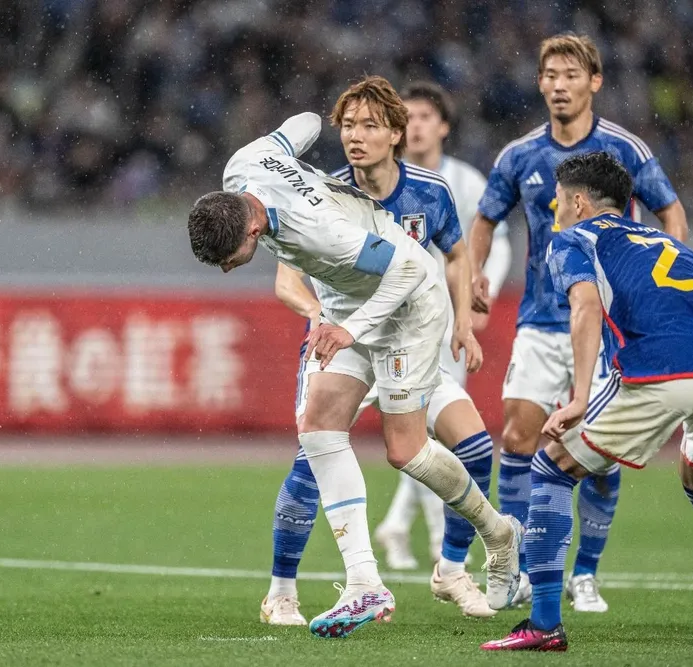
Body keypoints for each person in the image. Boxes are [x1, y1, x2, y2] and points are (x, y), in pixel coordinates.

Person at [188, 110, 522, 638]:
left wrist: (352, 329)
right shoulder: (244, 166)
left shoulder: (322, 233)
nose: (233, 266)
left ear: (252, 226)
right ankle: (365, 582)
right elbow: (302, 123)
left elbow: (413, 269)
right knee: (317, 427)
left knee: (404, 450)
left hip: (410, 306)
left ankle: (500, 534)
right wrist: (315, 137)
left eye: (235, 257)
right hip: (349, 302)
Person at [482, 151, 693, 651]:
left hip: (659, 371)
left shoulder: (573, 238)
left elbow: (585, 307)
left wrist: (577, 398)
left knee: (552, 470)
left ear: (577, 201)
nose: (554, 209)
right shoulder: (672, 246)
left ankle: (544, 624)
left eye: (557, 201)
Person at [263, 76, 503, 623]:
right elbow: (286, 280)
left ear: (396, 134)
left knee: (475, 448)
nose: (356, 136)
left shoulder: (430, 191)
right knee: (311, 459)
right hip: (344, 345)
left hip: (411, 344)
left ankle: (451, 571)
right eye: (348, 125)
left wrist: (464, 321)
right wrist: (319, 314)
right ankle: (282, 591)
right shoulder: (319, 195)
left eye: (369, 125)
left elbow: (458, 255)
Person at [467, 33, 689, 610]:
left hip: (610, 322)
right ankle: (514, 565)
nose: (559, 85)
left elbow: (671, 212)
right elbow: (486, 219)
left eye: (572, 74)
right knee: (516, 434)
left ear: (594, 82)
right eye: (550, 75)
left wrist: (659, 278)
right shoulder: (518, 156)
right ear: (540, 83)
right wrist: (477, 272)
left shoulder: (624, 149)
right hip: (542, 319)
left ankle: (584, 572)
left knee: (596, 450)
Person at [372, 81, 512, 574]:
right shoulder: (381, 179)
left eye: (425, 116)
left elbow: (493, 242)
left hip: (446, 321)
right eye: (406, 116)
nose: (414, 124)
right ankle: (435, 540)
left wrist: (479, 294)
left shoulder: (464, 181)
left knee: (433, 431)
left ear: (444, 126)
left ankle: (408, 526)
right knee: (426, 432)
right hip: (393, 324)